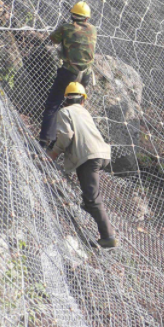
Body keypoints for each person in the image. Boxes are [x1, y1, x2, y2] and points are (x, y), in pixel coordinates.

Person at [47, 82, 116, 249]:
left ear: (66, 100)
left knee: (93, 198)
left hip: (88, 157)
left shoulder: (64, 112)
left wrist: (53, 154)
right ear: (83, 100)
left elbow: (66, 136)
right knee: (89, 194)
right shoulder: (84, 112)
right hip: (100, 153)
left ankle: (108, 238)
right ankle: (88, 204)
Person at [39, 1, 96, 148]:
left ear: (73, 15)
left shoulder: (66, 28)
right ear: (87, 18)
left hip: (68, 73)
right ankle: (70, 145)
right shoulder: (93, 30)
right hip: (85, 75)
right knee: (75, 109)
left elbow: (52, 39)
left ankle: (46, 141)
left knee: (54, 104)